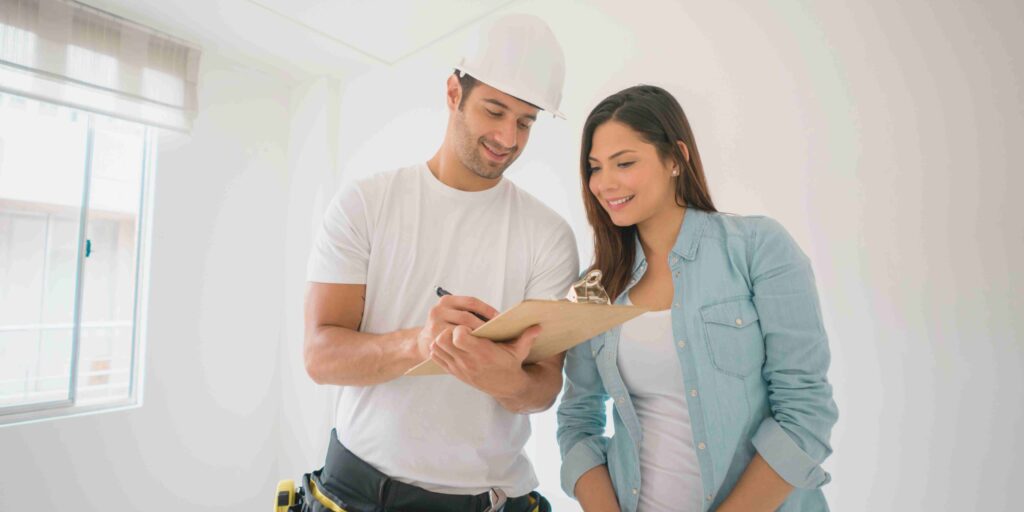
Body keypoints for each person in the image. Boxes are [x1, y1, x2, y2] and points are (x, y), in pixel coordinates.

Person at [300, 13, 579, 512]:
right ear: (454, 93)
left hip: (494, 500)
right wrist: (420, 344)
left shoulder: (549, 236)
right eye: (494, 111)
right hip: (362, 494)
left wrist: (506, 380)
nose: (509, 138)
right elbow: (320, 356)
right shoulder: (366, 204)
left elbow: (545, 387)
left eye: (525, 122)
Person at [557, 85, 839, 512]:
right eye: (595, 168)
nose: (604, 183)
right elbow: (578, 421)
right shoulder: (594, 289)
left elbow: (806, 412)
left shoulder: (757, 247)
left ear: (676, 158)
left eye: (625, 163)